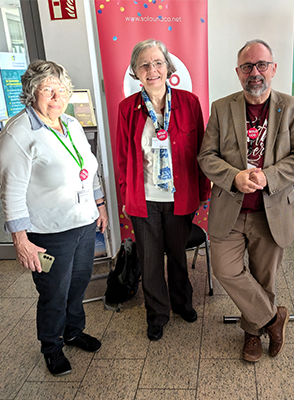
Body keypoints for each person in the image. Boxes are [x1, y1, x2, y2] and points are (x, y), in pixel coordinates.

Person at [197, 40, 294, 362]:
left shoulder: (293, 107)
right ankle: (273, 318)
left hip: (270, 211)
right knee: (225, 269)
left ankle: (252, 334)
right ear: (238, 72)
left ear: (273, 69)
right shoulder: (222, 108)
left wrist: (270, 176)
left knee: (265, 278)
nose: (255, 72)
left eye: (262, 64)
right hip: (230, 210)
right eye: (247, 66)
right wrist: (233, 176)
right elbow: (206, 156)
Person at [0, 60, 108, 376]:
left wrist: (100, 205)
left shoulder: (71, 124)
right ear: (32, 93)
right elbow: (10, 191)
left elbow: (89, 168)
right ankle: (51, 347)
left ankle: (73, 332)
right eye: (48, 90)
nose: (56, 97)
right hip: (48, 232)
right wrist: (20, 240)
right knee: (53, 293)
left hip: (83, 224)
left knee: (79, 283)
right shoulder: (18, 133)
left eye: (61, 89)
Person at [117, 39, 210, 341]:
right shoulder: (127, 108)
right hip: (143, 199)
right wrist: (125, 196)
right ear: (135, 72)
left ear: (168, 67)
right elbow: (122, 158)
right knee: (151, 261)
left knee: (178, 257)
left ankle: (182, 303)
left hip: (180, 197)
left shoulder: (190, 102)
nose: (152, 69)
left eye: (158, 63)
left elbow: (201, 150)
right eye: (144, 64)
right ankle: (157, 314)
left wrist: (203, 191)